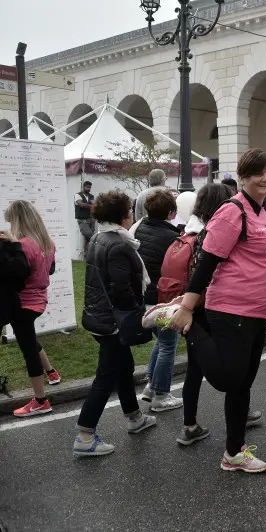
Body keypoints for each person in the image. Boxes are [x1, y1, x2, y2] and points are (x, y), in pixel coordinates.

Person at [154, 148, 266, 472]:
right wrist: (188, 307)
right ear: (242, 178)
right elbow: (208, 262)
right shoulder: (233, 211)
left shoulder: (263, 211)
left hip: (258, 313)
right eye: (258, 173)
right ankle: (181, 322)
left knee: (242, 385)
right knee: (228, 379)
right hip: (232, 309)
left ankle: (234, 452)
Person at [73, 191, 157, 456]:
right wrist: (135, 314)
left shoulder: (99, 238)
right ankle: (85, 436)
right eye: (129, 210)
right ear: (123, 215)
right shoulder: (119, 244)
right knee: (106, 375)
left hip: (99, 315)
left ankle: (134, 417)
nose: (132, 213)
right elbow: (121, 288)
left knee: (123, 367)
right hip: (113, 319)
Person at [2, 201, 61, 417]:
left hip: (22, 303)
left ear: (17, 220)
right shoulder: (47, 242)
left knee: (28, 350)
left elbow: (17, 275)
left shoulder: (23, 245)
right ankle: (52, 373)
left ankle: (40, 400)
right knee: (28, 338)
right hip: (39, 301)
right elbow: (51, 270)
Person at [133, 190, 183, 412]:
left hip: (144, 296)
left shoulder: (140, 229)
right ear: (171, 213)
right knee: (168, 345)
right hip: (161, 298)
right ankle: (161, 395)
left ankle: (151, 387)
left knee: (162, 342)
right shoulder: (171, 238)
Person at [74, 180, 95, 257]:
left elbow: (94, 205)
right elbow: (81, 204)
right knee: (90, 235)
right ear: (83, 187)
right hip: (82, 219)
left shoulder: (91, 196)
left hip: (91, 219)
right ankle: (91, 253)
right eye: (87, 187)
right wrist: (91, 206)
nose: (88, 189)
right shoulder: (78, 195)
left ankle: (87, 255)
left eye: (90, 187)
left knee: (88, 239)